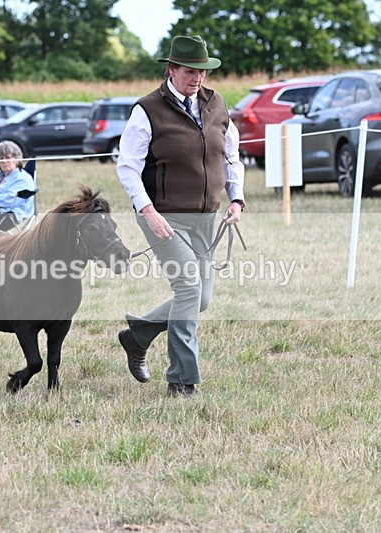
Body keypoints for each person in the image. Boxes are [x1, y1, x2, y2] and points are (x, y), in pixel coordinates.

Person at [116, 35, 246, 397]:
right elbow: (127, 167)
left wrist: (237, 199)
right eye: (190, 71)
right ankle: (182, 379)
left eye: (202, 71)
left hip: (206, 217)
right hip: (163, 215)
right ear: (172, 69)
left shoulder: (217, 105)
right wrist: (147, 210)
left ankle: (138, 334)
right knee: (188, 287)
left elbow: (231, 157)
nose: (197, 78)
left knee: (201, 299)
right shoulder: (147, 109)